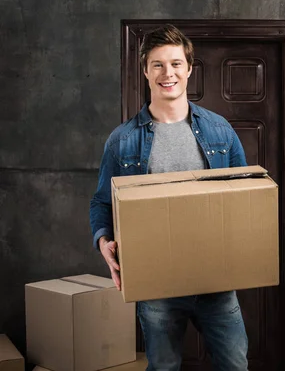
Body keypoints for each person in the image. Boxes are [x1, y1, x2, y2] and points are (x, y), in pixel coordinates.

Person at [89, 24, 249, 371]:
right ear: (145, 70)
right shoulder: (122, 141)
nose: (168, 73)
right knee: (163, 368)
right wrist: (103, 240)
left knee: (235, 366)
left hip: (216, 281)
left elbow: (246, 196)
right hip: (156, 285)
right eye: (158, 64)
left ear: (189, 69)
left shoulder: (220, 130)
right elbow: (102, 202)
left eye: (176, 63)